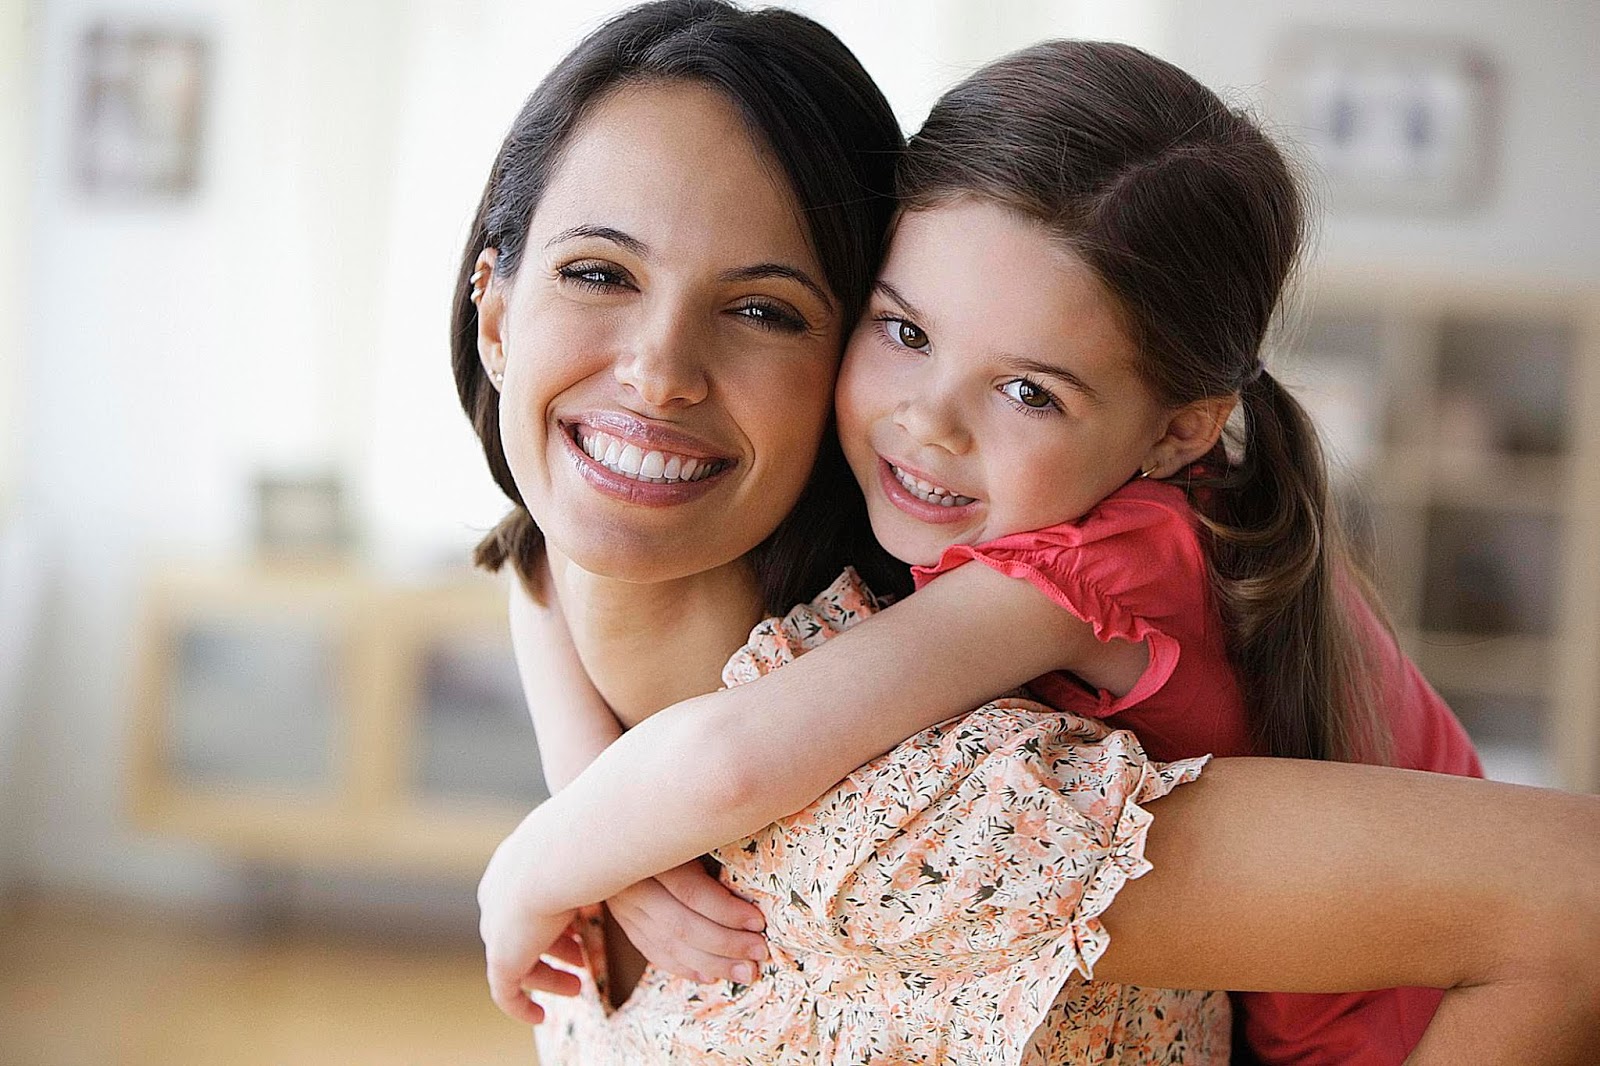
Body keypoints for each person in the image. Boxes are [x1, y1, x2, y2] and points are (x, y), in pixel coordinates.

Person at [458, 3, 1600, 1062]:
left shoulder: (1066, 594)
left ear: (1177, 431)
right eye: (905, 332)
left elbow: (735, 755)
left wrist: (535, 867)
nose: (928, 423)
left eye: (1030, 393)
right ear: (493, 310)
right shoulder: (1090, 515)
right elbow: (548, 554)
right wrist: (595, 807)